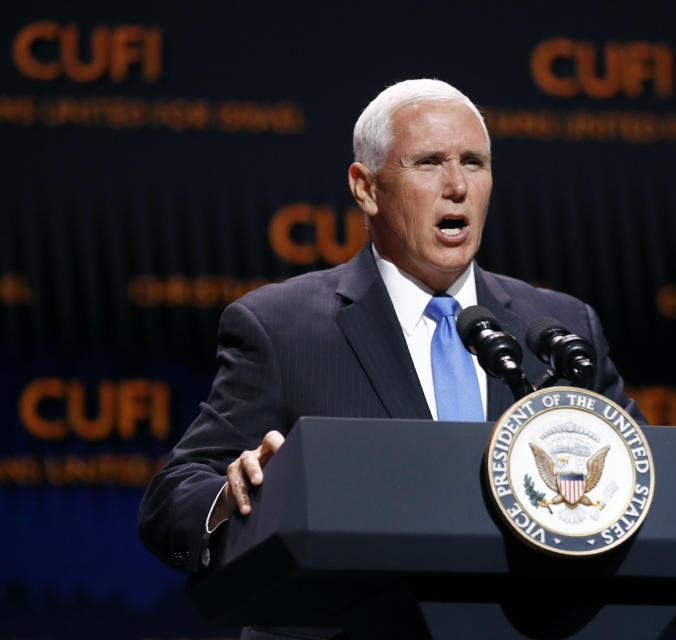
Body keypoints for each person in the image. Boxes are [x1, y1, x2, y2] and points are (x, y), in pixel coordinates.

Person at [138, 79, 644, 579]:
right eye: (428, 163)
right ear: (366, 188)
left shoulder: (560, 327)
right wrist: (230, 498)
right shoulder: (280, 327)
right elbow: (171, 503)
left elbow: (651, 478)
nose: (458, 186)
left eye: (473, 162)